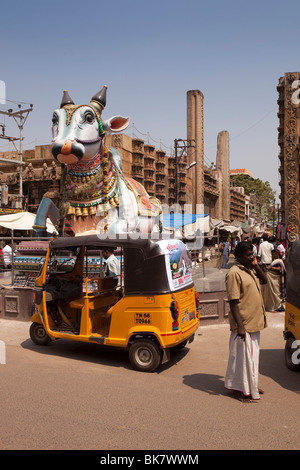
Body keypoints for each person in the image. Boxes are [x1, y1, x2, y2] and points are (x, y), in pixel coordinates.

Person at [224, 241, 268, 402]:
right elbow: (233, 301)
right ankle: (238, 389)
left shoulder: (250, 269)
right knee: (241, 360)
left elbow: (264, 281)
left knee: (252, 358)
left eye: (252, 254)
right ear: (239, 257)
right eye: (248, 255)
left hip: (254, 321)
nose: (252, 257)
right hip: (244, 324)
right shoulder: (234, 273)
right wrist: (240, 326)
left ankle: (251, 385)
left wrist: (256, 266)